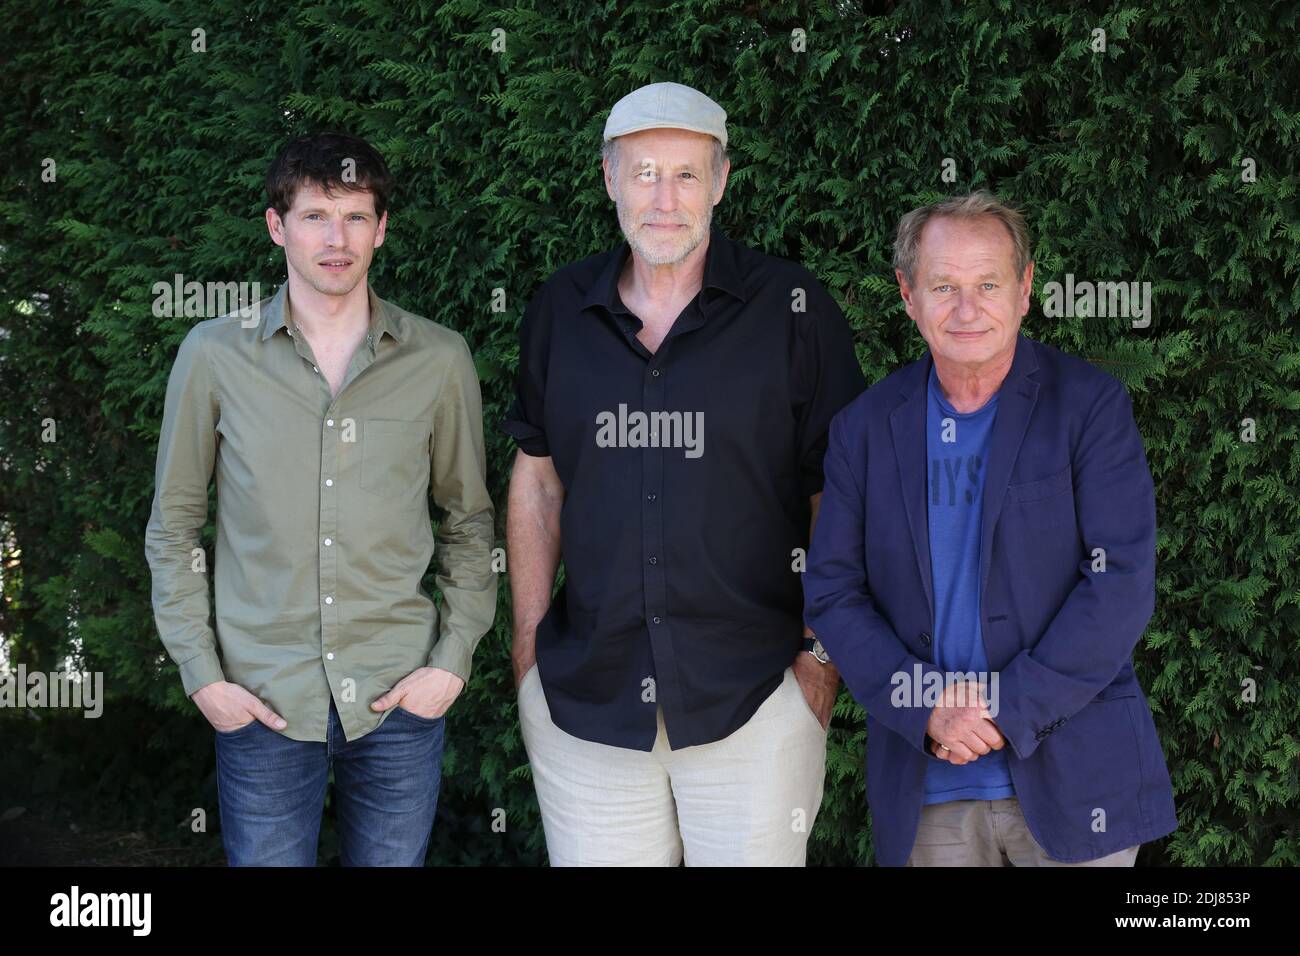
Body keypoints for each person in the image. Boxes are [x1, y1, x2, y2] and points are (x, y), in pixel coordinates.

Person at [503, 82, 866, 866]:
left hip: (758, 697)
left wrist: (819, 663)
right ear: (609, 179)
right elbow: (537, 476)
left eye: (687, 174)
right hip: (586, 702)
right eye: (643, 173)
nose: (664, 199)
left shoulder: (795, 309)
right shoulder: (560, 309)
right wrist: (528, 650)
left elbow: (839, 492)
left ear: (722, 181)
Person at [144, 131, 496, 866]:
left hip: (400, 694)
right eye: (314, 216)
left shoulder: (439, 358)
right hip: (262, 700)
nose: (337, 239)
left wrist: (454, 658)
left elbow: (469, 522)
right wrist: (202, 676)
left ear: (382, 228)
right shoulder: (213, 355)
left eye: (356, 217)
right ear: (278, 227)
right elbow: (174, 528)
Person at [804, 191, 1177, 866]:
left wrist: (1007, 707)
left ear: (1026, 289)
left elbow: (1118, 581)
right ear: (907, 294)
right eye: (943, 286)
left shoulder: (1090, 408)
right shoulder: (863, 429)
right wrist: (927, 707)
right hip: (929, 793)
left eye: (988, 285)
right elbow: (833, 591)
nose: (967, 309)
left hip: (1076, 778)